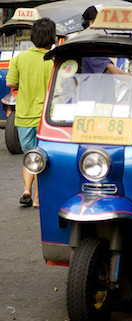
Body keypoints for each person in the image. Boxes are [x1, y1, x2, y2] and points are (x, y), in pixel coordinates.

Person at [6, 18, 56, 207]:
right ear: (52, 37)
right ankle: (37, 198)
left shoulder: (20, 58)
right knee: (43, 158)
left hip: (24, 116)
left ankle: (27, 189)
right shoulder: (53, 59)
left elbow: (10, 83)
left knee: (30, 155)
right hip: (47, 118)